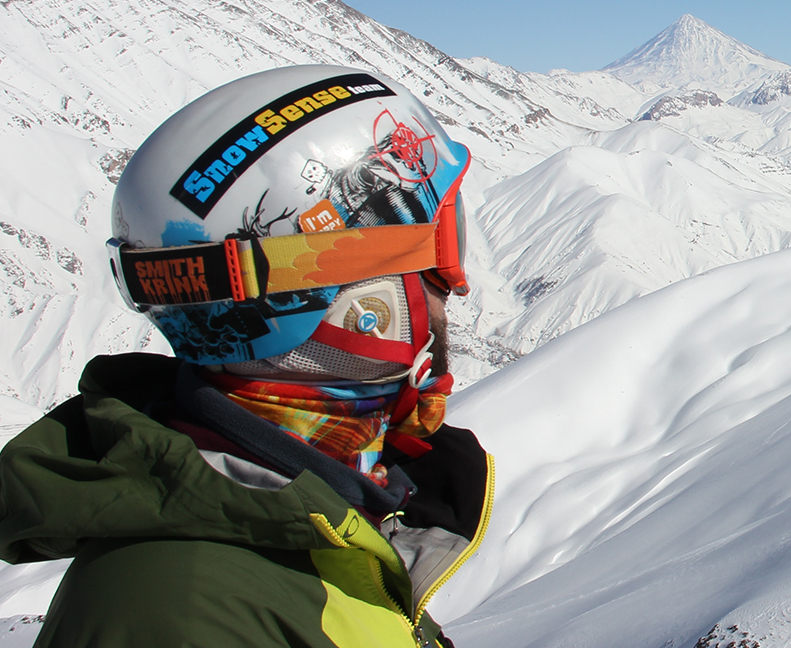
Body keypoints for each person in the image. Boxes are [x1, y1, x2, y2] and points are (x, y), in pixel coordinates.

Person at [0, 65, 492, 647]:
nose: (453, 286)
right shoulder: (175, 618)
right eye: (440, 244)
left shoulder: (326, 513)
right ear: (363, 301)